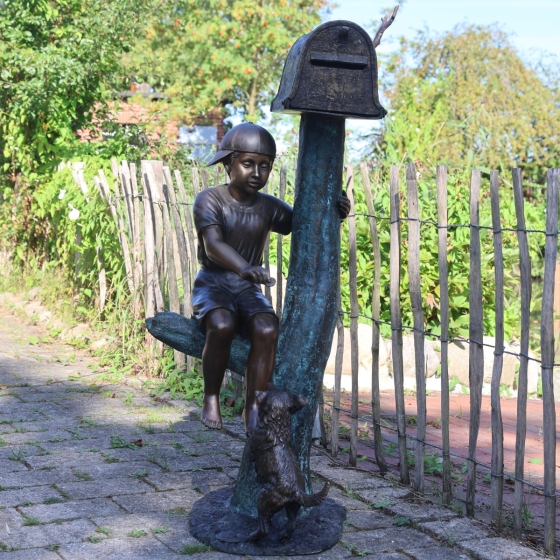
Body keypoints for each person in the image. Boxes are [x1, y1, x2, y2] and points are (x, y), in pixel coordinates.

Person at [192, 123, 350, 435]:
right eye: (248, 163)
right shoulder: (209, 200)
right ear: (228, 163)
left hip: (245, 288)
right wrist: (245, 267)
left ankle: (254, 403)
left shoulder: (268, 206)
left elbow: (304, 222)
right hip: (214, 283)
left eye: (265, 166)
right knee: (221, 324)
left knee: (267, 328)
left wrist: (336, 211)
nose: (256, 173)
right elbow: (213, 244)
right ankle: (211, 395)